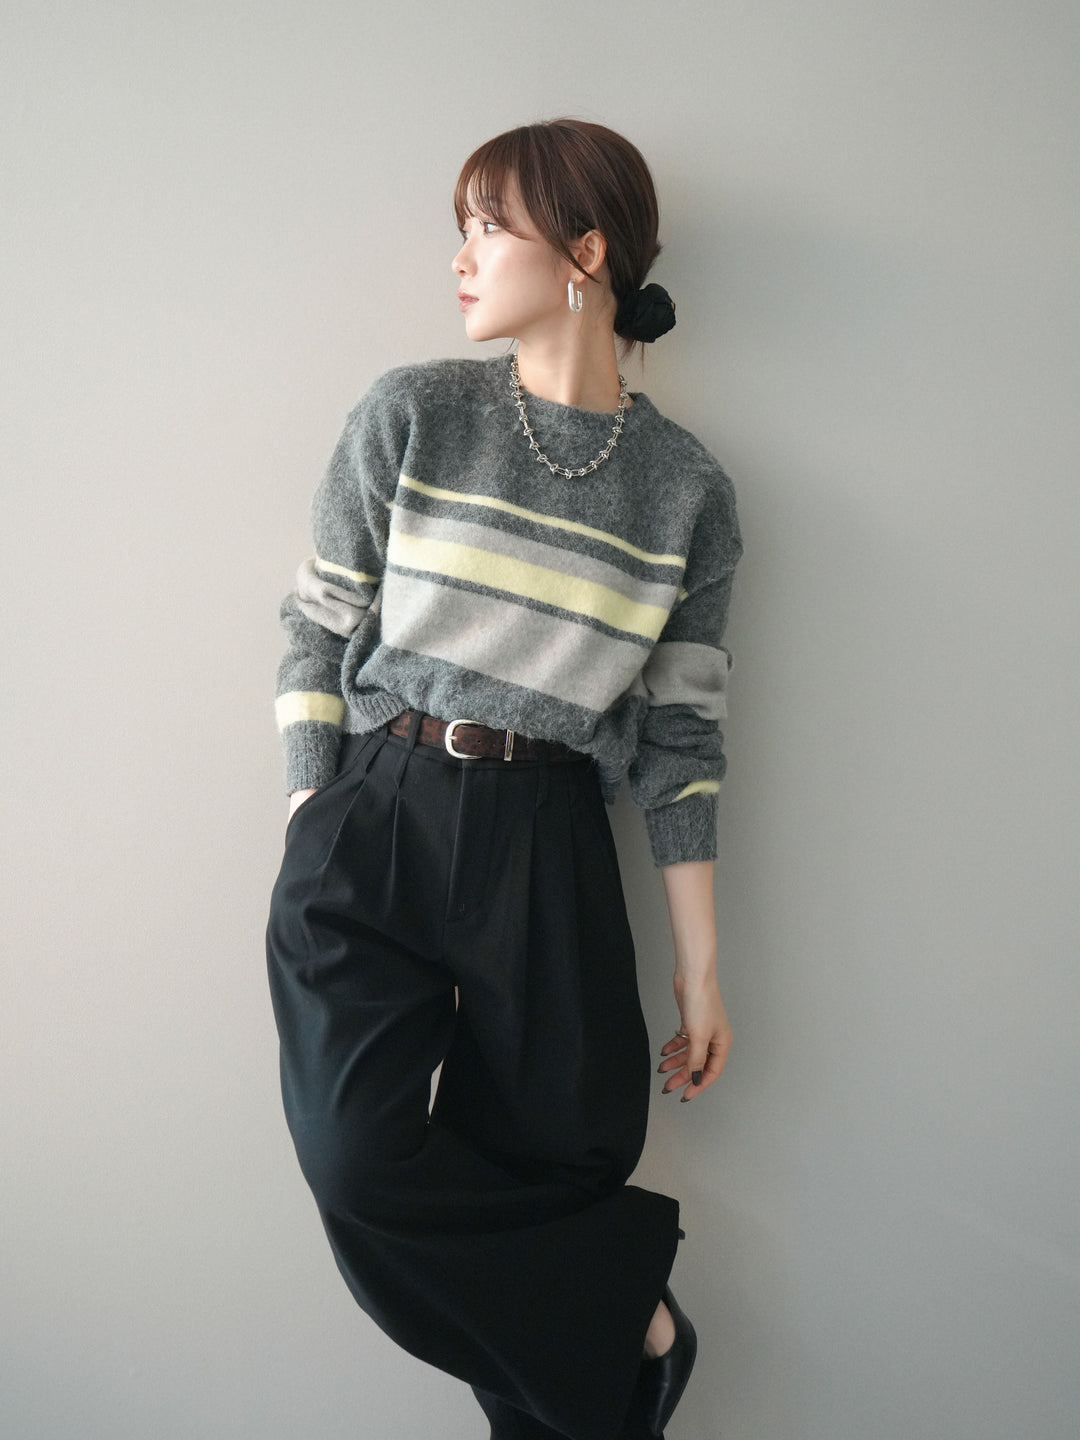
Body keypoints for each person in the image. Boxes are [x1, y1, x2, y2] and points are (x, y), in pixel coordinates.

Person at [265, 117, 742, 1440]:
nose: (461, 258)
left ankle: (593, 1373)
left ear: (585, 252)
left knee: (569, 1156)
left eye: (488, 227)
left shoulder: (688, 492)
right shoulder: (414, 411)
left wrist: (700, 971)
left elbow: (683, 736)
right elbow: (315, 624)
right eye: (462, 229)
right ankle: (629, 1307)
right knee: (356, 1162)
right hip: (382, 807)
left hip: (551, 831)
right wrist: (316, 815)